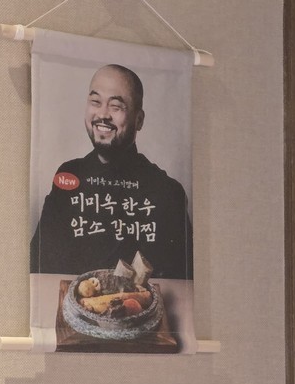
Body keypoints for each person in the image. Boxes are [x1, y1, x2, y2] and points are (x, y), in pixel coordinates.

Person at [31, 64, 193, 279]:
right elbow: (40, 267)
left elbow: (179, 281)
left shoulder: (167, 192)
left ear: (139, 120)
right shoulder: (69, 175)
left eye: (116, 106)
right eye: (95, 102)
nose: (102, 114)